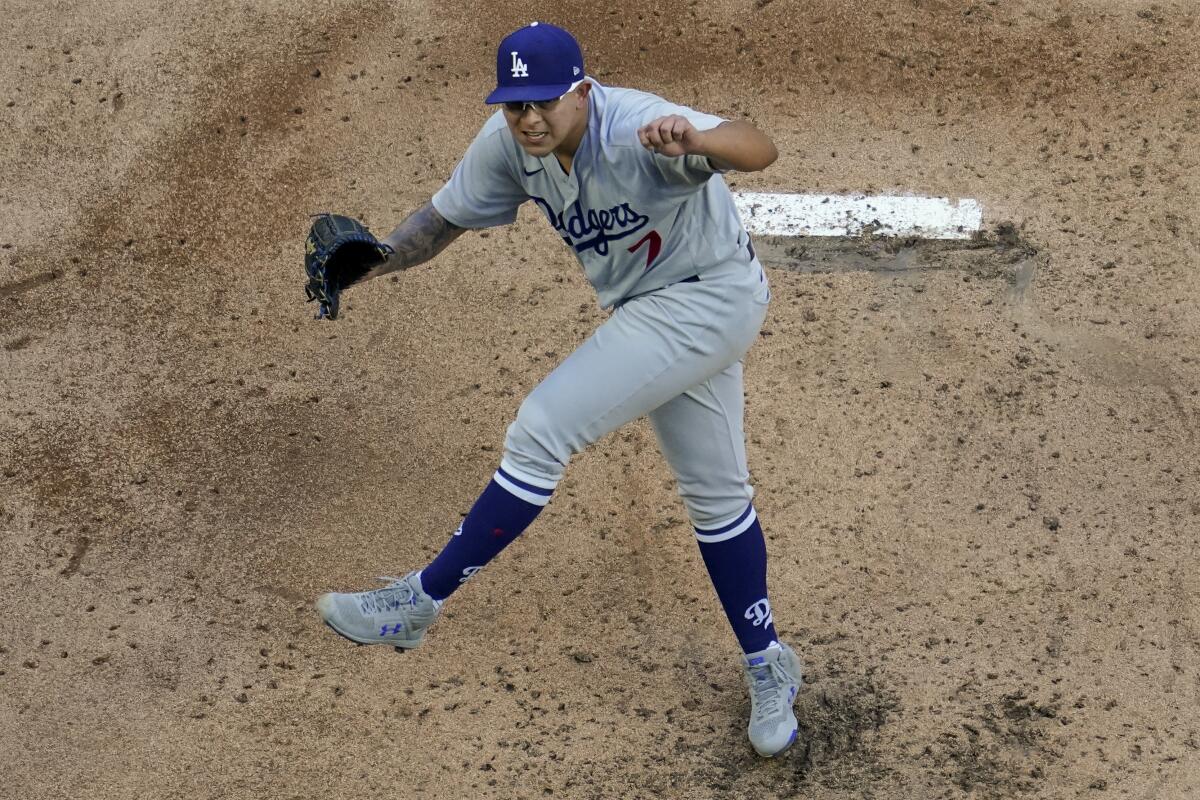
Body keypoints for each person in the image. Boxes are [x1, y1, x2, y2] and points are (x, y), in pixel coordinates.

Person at [315, 21, 802, 757]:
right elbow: (443, 220)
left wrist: (698, 142)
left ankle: (418, 602)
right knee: (717, 495)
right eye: (516, 105)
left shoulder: (638, 124)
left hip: (709, 299)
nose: (530, 119)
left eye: (545, 101)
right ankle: (770, 663)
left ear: (582, 89)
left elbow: (757, 147)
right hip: (658, 313)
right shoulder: (510, 143)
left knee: (543, 427)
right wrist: (374, 263)